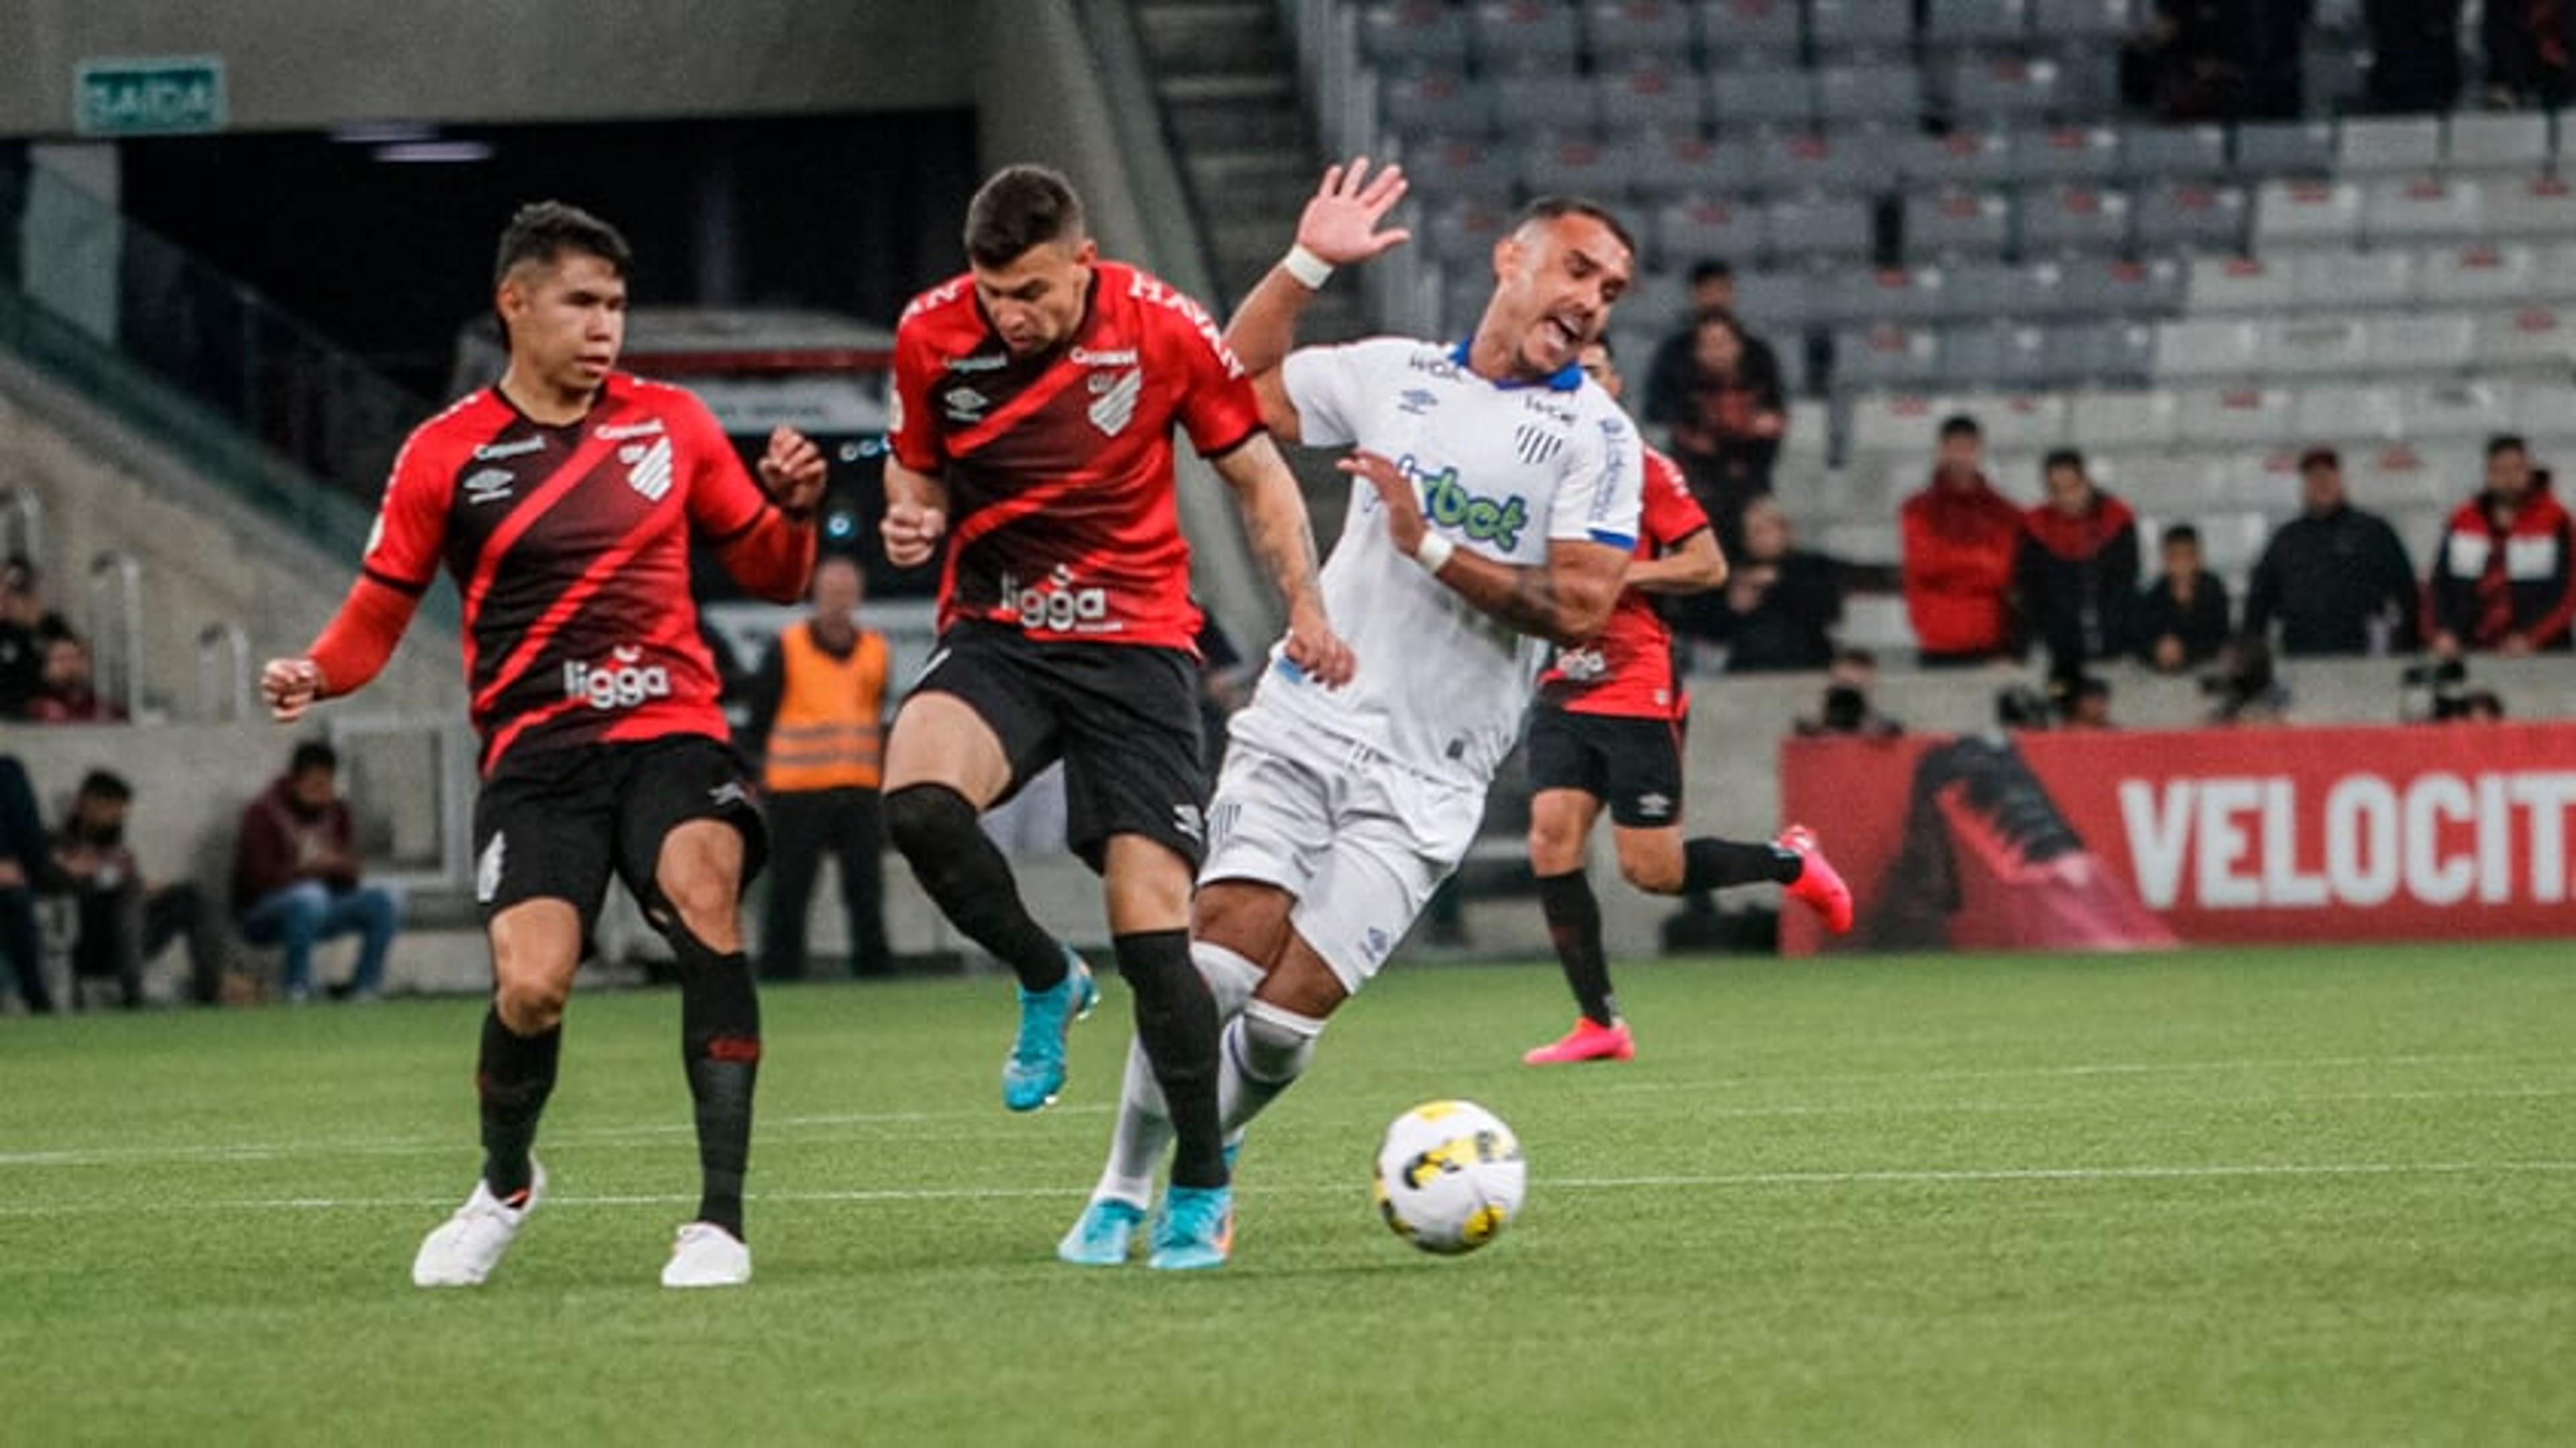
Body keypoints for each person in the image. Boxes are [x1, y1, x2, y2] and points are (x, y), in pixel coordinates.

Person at [1061, 161, 1831, 1265]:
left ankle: (1206, 1156)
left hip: (1434, 773)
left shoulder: (1598, 443)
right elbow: (1229, 382)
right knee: (1217, 964)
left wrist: (1424, 537)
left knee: (1281, 1028)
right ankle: (1131, 1189)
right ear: (1510, 260)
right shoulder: (1392, 374)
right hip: (1309, 716)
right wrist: (1308, 261)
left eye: (1612, 290)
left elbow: (1577, 600)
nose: (1591, 298)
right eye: (1576, 268)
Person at [260, 201, 824, 1289]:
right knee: (532, 988)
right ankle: (507, 1180)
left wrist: (793, 510)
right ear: (515, 303)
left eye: (616, 303)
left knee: (701, 894)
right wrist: (317, 670)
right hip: (537, 758)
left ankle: (719, 1222)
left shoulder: (674, 424)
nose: (606, 323)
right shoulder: (444, 452)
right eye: (582, 301)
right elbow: (380, 610)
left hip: (670, 730)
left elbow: (774, 573)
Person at [877, 164, 1352, 1269]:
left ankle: (1198, 1176)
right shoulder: (930, 336)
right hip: (1002, 629)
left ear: (1083, 263)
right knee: (918, 806)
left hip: (1136, 651)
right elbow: (916, 479)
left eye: (1034, 293)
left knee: (1155, 935)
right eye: (995, 293)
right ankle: (1046, 973)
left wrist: (1306, 601)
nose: (1012, 316)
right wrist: (910, 519)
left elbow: (1259, 477)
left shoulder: (1163, 329)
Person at [1519, 340, 1851, 1067]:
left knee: (1653, 870)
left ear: (1618, 382)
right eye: (1570, 369)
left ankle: (1787, 861)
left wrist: (1618, 574)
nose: (1582, 378)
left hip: (1637, 677)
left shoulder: (1641, 464)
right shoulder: (1533, 461)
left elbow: (1708, 564)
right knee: (1551, 835)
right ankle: (1598, 1020)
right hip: (1563, 677)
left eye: (1597, 366)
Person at [745, 554, 893, 981]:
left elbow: (875, 712)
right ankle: (781, 973)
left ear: (858, 597)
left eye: (846, 593)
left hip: (859, 787)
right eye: (831, 593)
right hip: (796, 790)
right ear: (815, 595)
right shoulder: (787, 648)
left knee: (866, 889)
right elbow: (761, 717)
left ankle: (876, 971)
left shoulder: (876, 651)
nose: (838, 602)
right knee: (789, 889)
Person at [231, 741, 402, 1003]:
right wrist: (304, 871)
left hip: (325, 904)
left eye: (327, 786)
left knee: (387, 899)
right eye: (313, 786)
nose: (321, 794)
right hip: (265, 912)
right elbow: (256, 879)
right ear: (295, 781)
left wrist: (340, 866)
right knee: (309, 896)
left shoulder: (337, 812)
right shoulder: (263, 813)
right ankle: (295, 986)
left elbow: (349, 882)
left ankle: (365, 986)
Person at [49, 770, 221, 1009]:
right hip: (85, 939)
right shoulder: (55, 844)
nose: (118, 817)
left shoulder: (119, 852)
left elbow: (125, 881)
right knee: (128, 888)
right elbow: (58, 884)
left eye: (121, 811)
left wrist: (150, 889)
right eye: (110, 809)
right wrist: (105, 878)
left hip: (130, 935)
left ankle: (209, 997)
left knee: (191, 896)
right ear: (84, 804)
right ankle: (134, 998)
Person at [2243, 446, 2419, 657]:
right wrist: (2251, 654)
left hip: (2364, 657)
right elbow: (2259, 602)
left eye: (2328, 476)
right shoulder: (2287, 539)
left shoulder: (2373, 532)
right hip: (2302, 656)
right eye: (2314, 478)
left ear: (2340, 480)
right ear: (2304, 486)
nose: (2322, 484)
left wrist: (2405, 646)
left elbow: (2406, 593)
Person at [1642, 307, 1786, 555]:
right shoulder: (1683, 389)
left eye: (1722, 343)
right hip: (1698, 487)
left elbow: (1773, 429)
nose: (1716, 352)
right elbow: (1687, 439)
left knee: (1764, 527)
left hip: (1753, 486)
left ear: (1738, 346)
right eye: (1707, 345)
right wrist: (1744, 429)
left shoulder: (1760, 383)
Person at [2427, 435, 2574, 658]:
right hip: (2471, 651)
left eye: (2517, 469)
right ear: (2488, 474)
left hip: (2540, 652)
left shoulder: (2555, 520)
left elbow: (2569, 592)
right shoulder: (2463, 520)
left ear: (2530, 471)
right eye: (2500, 471)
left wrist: (2533, 637)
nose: (2509, 479)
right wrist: (2442, 633)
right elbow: (2438, 586)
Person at [1900, 415, 2023, 667]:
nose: (1961, 457)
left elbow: (2004, 570)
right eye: (1954, 448)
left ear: (1979, 451)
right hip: (1937, 636)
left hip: (1990, 637)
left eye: (1968, 449)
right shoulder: (1917, 510)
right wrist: (1980, 561)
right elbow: (1927, 565)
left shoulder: (2005, 513)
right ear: (1942, 451)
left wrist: (1953, 565)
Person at [2015, 449, 2141, 676]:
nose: (2066, 498)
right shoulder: (2035, 528)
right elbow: (2031, 592)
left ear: (2087, 481)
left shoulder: (2117, 521)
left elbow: (2125, 585)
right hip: (2058, 650)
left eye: (2073, 487)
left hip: (2115, 645)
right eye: (2056, 490)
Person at [1688, 495, 1841, 672]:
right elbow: (1706, 628)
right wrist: (1733, 607)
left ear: (1785, 531)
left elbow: (1828, 612)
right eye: (1749, 532)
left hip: (1805, 662)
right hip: (1748, 668)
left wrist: (1781, 582)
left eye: (1763, 530)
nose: (1755, 538)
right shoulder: (1731, 572)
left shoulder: (1814, 566)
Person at [2136, 522, 2233, 672]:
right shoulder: (2155, 593)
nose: (2182, 564)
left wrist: (2185, 650)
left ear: (2200, 558)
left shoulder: (2214, 590)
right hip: (2161, 671)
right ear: (2164, 560)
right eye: (2174, 557)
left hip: (2204, 666)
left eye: (2188, 556)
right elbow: (2141, 638)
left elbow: (2221, 638)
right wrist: (2157, 649)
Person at [0, 754, 55, 1013]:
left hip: (16, 877)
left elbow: (30, 835)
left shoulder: (8, 772)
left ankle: (35, 995)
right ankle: (35, 995)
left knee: (16, 896)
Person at [0, 555, 72, 719]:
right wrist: (30, 706)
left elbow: (79, 666)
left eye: (25, 593)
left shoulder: (53, 626)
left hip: (60, 711)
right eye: (11, 593)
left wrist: (67, 664)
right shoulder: (5, 633)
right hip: (16, 718)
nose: (16, 601)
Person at [27, 633, 125, 723]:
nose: (70, 665)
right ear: (47, 667)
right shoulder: (34, 708)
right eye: (62, 659)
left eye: (78, 657)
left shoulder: (105, 708)